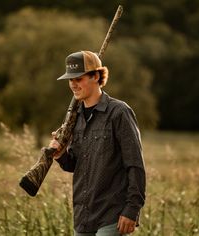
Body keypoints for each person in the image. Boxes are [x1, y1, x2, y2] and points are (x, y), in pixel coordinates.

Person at [49, 50, 146, 236]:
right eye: (71, 80)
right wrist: (60, 154)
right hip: (83, 217)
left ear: (96, 76)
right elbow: (76, 165)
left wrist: (132, 210)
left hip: (112, 215)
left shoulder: (119, 112)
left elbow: (135, 164)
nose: (73, 85)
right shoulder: (74, 118)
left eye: (79, 78)